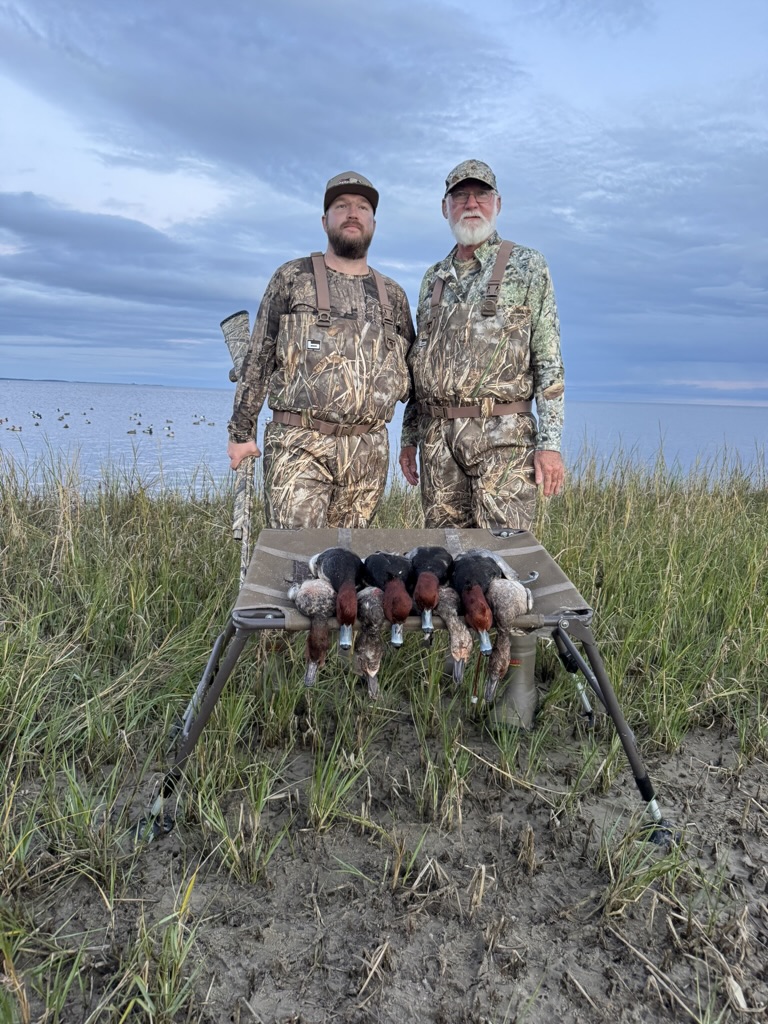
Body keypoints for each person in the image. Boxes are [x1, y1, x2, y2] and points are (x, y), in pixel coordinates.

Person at [398, 159, 565, 731]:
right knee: (444, 564)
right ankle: (460, 676)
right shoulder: (431, 279)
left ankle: (516, 690)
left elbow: (550, 362)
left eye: (481, 195)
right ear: (445, 208)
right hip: (440, 442)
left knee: (506, 564)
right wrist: (410, 436)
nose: (471, 204)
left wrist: (551, 442)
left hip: (505, 440)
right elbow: (418, 366)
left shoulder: (528, 266)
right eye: (460, 196)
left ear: (497, 204)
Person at [228, 172, 415, 529]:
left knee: (348, 568)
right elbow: (258, 359)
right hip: (299, 444)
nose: (352, 213)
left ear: (374, 222)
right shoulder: (292, 278)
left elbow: (415, 378)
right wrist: (241, 434)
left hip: (368, 454)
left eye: (362, 207)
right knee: (298, 561)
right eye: (341, 206)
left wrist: (410, 442)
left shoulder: (393, 296)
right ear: (324, 220)